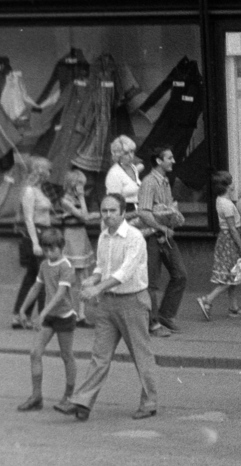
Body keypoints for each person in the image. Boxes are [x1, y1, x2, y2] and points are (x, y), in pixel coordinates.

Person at [57, 195, 159, 421]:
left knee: (141, 355)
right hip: (108, 303)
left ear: (123, 212)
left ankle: (149, 402)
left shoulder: (135, 238)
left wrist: (97, 288)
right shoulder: (104, 236)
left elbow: (126, 272)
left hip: (133, 301)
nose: (108, 215)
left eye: (113, 211)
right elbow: (101, 267)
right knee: (99, 355)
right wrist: (92, 280)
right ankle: (82, 402)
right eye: (104, 211)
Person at [17, 228, 78, 413]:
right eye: (46, 250)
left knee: (66, 355)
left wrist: (42, 313)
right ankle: (36, 396)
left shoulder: (66, 267)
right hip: (50, 316)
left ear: (61, 247)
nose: (49, 253)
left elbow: (60, 295)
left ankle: (69, 396)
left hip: (65, 316)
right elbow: (36, 287)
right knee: (35, 353)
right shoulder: (44, 265)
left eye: (53, 249)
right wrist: (22, 308)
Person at [136, 147, 188, 337]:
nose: (173, 161)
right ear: (158, 161)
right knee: (151, 282)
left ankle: (166, 315)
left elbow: (164, 210)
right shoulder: (149, 182)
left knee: (180, 274)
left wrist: (172, 216)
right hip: (151, 235)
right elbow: (143, 212)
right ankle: (153, 323)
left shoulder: (165, 182)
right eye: (169, 158)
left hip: (165, 234)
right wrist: (161, 227)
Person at [11, 157, 55, 330]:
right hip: (36, 235)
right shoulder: (29, 191)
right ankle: (40, 316)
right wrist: (36, 243)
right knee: (42, 277)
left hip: (44, 233)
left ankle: (20, 315)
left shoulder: (39, 189)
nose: (50, 174)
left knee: (32, 277)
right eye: (48, 170)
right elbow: (28, 218)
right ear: (41, 171)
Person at [198, 170, 241, 320]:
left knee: (233, 274)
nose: (234, 183)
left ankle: (234, 307)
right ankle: (208, 299)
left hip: (225, 239)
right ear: (228, 186)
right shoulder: (226, 204)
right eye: (231, 181)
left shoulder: (220, 200)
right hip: (230, 241)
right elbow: (233, 228)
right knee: (231, 277)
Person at [58, 169, 96, 326]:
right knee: (71, 275)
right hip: (71, 237)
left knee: (83, 275)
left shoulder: (76, 199)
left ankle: (81, 314)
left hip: (80, 235)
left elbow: (85, 216)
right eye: (80, 183)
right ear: (72, 184)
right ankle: (69, 311)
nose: (82, 187)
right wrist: (81, 198)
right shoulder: (65, 200)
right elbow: (83, 216)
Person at [104, 135, 142, 211]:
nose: (131, 156)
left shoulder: (133, 168)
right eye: (126, 153)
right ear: (119, 155)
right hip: (124, 211)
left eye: (132, 152)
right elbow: (114, 202)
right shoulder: (114, 174)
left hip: (137, 208)